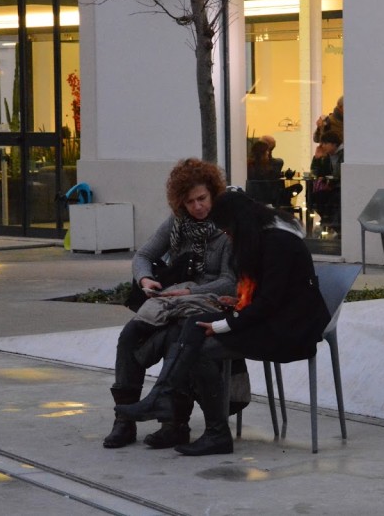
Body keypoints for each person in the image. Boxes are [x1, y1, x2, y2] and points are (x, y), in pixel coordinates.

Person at [115, 191, 331, 456]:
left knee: (201, 351)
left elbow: (269, 303)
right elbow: (263, 298)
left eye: (228, 231)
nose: (227, 237)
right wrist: (237, 303)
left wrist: (222, 325)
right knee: (193, 325)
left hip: (291, 331)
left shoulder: (279, 244)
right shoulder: (264, 240)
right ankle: (163, 398)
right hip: (272, 320)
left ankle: (214, 432)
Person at [104, 158, 236, 450]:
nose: (197, 207)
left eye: (202, 199)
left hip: (208, 303)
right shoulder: (177, 224)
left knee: (176, 338)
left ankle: (174, 424)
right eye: (190, 202)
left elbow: (230, 281)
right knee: (129, 336)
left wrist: (189, 290)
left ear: (213, 194)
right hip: (170, 302)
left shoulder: (228, 230)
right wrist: (145, 280)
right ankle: (123, 421)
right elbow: (142, 256)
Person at [310, 132, 343, 234]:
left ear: (334, 144)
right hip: (330, 187)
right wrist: (317, 158)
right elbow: (315, 172)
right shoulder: (327, 156)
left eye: (325, 143)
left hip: (340, 187)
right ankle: (327, 223)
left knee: (331, 200)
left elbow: (339, 174)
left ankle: (330, 225)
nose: (322, 146)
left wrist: (330, 182)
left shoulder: (343, 154)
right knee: (313, 198)